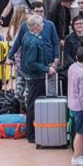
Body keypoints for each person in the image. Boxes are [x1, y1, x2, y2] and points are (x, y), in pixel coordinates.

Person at [21, 14, 57, 143]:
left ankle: (31, 131)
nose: (43, 25)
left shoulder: (28, 36)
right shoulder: (34, 41)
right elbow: (30, 62)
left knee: (32, 103)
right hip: (36, 77)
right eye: (41, 23)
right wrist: (46, 68)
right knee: (34, 104)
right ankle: (31, 134)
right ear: (36, 27)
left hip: (32, 76)